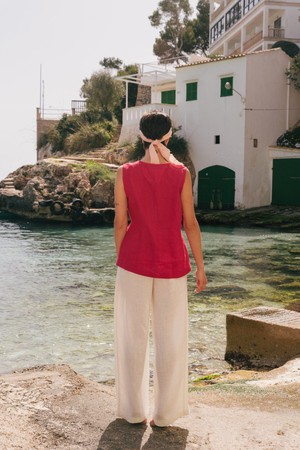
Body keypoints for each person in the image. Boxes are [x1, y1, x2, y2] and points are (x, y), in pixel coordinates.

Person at [113, 110, 207, 427]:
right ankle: (165, 415)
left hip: (132, 262)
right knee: (171, 339)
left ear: (140, 136)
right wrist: (200, 267)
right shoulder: (181, 173)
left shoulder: (124, 172)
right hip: (172, 262)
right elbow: (190, 224)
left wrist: (122, 258)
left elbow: (120, 222)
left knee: (132, 337)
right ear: (168, 137)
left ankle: (133, 411)